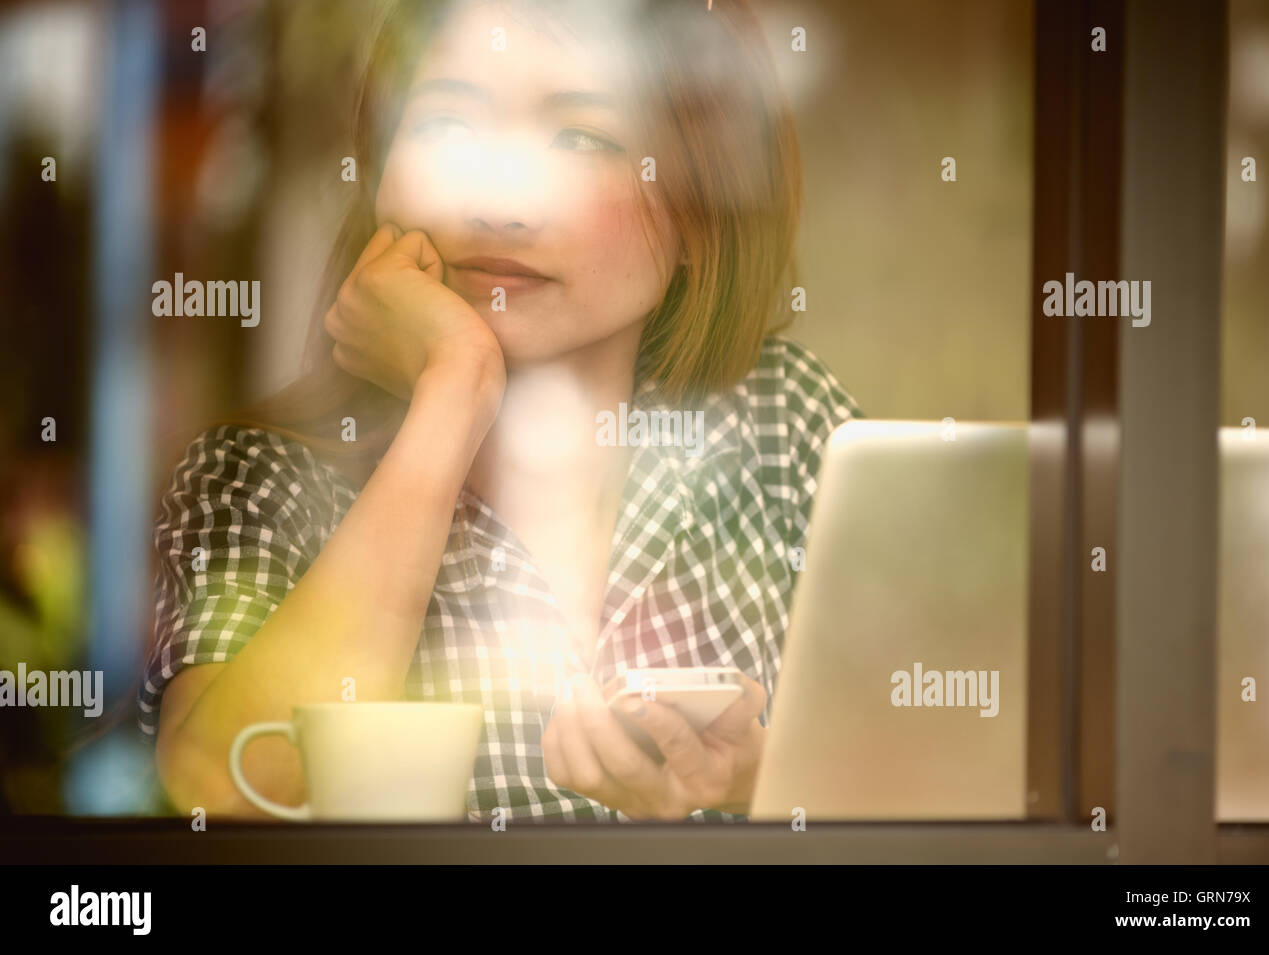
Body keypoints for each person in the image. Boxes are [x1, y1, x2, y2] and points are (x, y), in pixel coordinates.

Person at [140, 0, 862, 823]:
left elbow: (963, 771)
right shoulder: (261, 476)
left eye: (583, 138)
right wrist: (455, 391)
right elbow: (217, 807)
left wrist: (758, 777)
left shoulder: (788, 430)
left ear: (705, 211)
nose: (502, 203)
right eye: (448, 124)